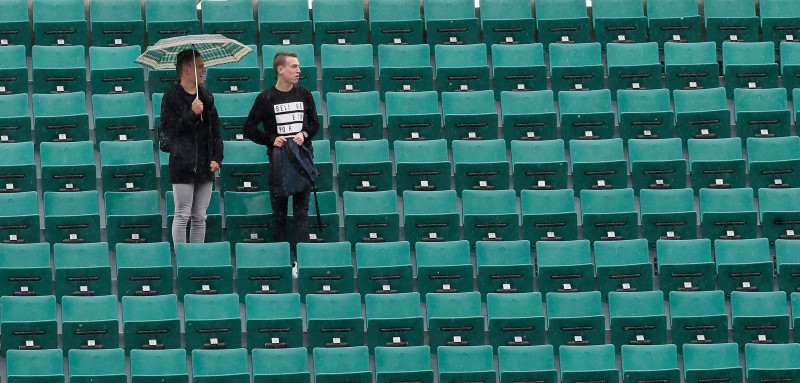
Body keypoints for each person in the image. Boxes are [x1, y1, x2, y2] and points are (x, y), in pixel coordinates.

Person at [243, 51, 320, 245]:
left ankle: (302, 262)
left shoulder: (304, 93)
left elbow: (315, 124)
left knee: (302, 216)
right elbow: (249, 128)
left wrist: (304, 134)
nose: (298, 70)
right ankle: (283, 262)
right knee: (279, 218)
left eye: (298, 66)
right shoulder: (266, 97)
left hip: (302, 162)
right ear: (280, 70)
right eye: (293, 66)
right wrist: (271, 139)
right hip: (279, 165)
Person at [160, 49, 223, 243]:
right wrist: (191, 113)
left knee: (200, 216)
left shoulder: (206, 96)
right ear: (187, 69)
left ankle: (196, 259)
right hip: (183, 163)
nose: (204, 69)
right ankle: (182, 261)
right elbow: (169, 132)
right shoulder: (171, 96)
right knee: (182, 214)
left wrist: (217, 157)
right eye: (200, 66)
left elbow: (215, 130)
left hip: (205, 164)